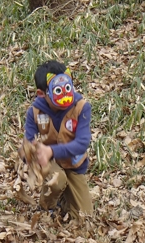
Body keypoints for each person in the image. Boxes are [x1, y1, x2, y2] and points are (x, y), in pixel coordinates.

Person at [20, 60, 93, 219]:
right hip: (50, 164)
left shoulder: (81, 107)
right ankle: (47, 206)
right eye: (58, 90)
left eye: (68, 88)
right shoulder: (35, 112)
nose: (66, 94)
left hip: (74, 164)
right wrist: (28, 153)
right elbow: (28, 143)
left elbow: (82, 143)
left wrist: (51, 150)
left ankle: (65, 198)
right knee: (58, 180)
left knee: (85, 217)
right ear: (42, 94)